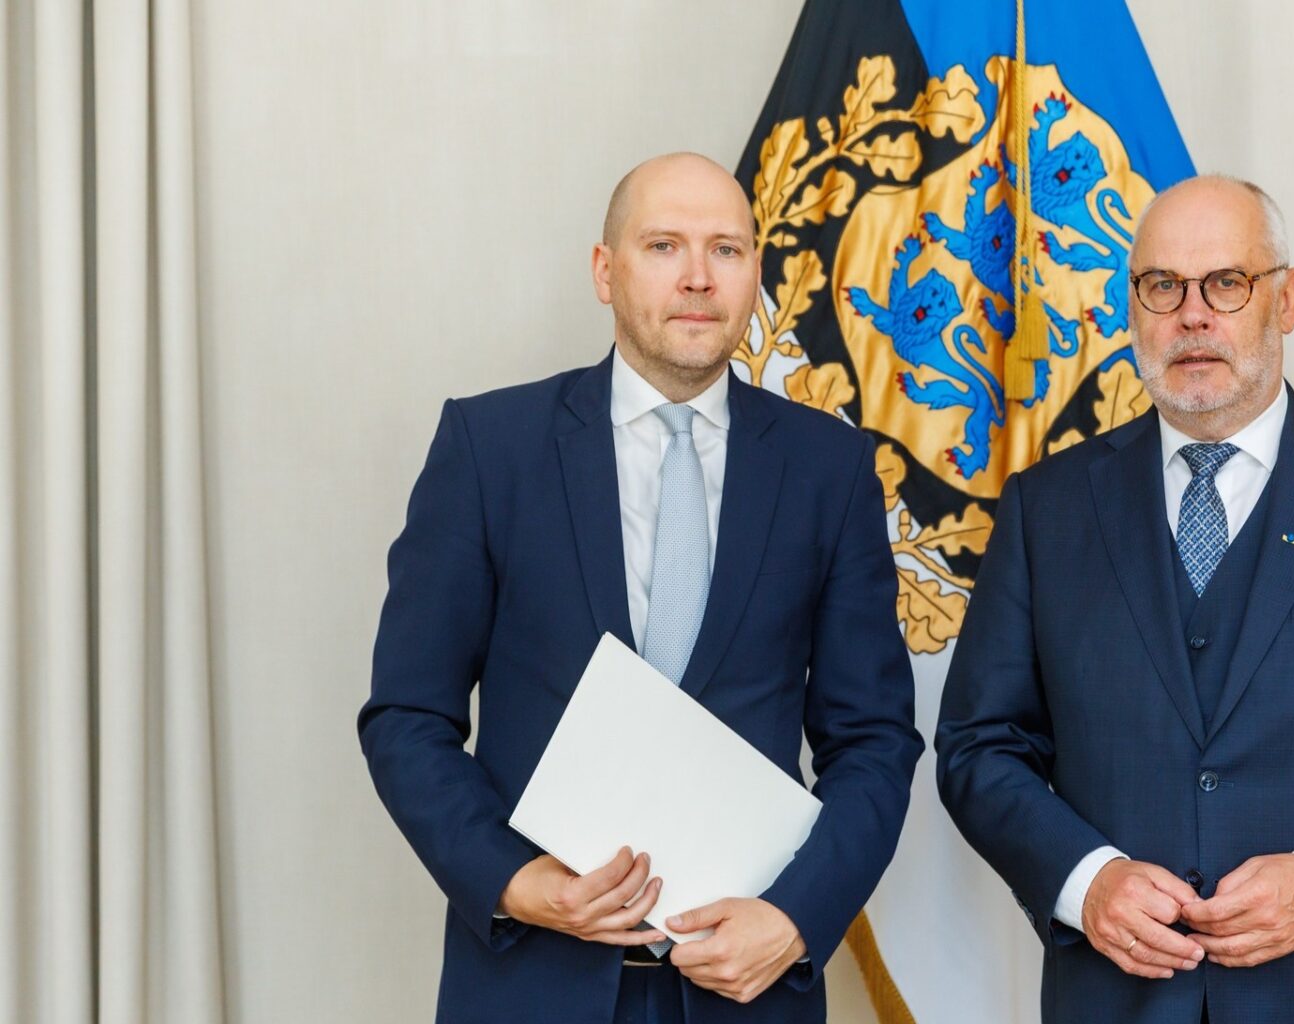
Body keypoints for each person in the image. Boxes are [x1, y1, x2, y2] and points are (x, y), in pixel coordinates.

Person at [935, 174, 1294, 1023]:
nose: (1193, 315)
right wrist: (1086, 881)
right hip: (1117, 1001)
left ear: (1284, 301)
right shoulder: (1046, 509)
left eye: (1227, 284)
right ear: (1132, 309)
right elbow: (977, 748)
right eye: (1162, 287)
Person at [359, 152, 921, 1024]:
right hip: (532, 981)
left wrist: (795, 919)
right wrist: (514, 883)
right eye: (664, 246)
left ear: (754, 273)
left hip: (747, 988)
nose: (698, 278)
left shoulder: (830, 469)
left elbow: (875, 741)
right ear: (604, 270)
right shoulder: (489, 448)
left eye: (727, 250)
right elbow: (407, 715)